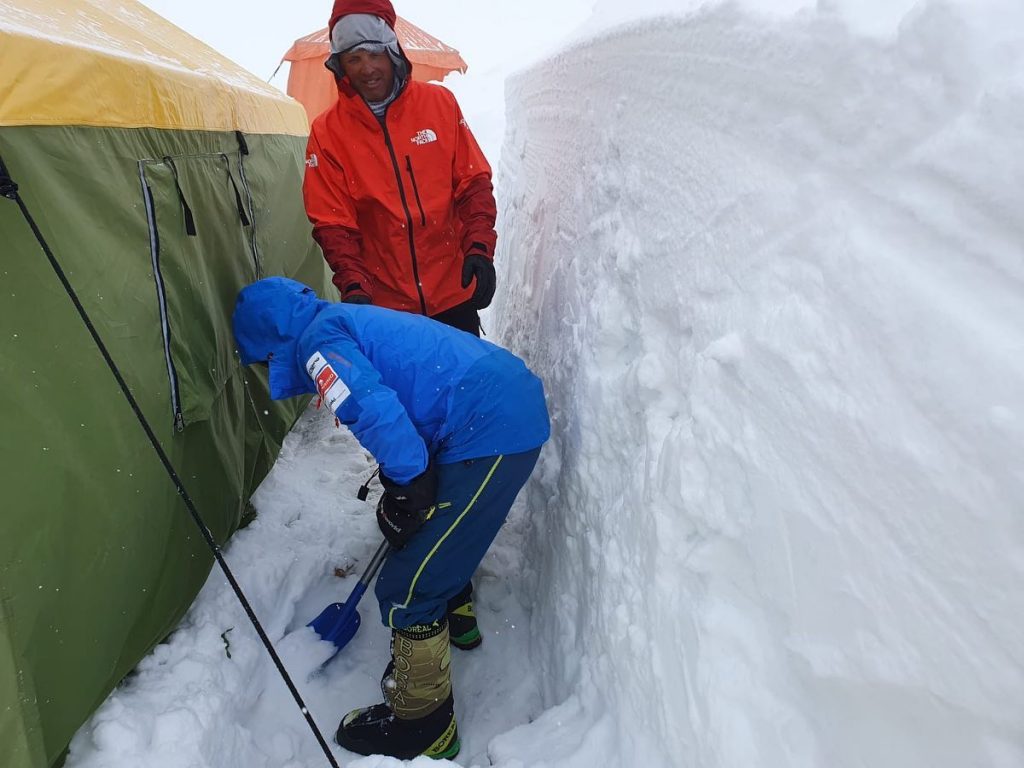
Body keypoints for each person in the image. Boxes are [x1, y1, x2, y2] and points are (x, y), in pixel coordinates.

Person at [232, 277, 549, 760]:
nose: (265, 369)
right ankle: (455, 617)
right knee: (434, 535)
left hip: (490, 425)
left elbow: (373, 409)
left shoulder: (317, 346)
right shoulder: (333, 322)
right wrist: (406, 485)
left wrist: (408, 481)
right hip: (489, 406)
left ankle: (423, 726)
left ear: (271, 339)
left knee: (407, 587)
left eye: (261, 359)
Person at [303, 0, 498, 337]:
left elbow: (473, 182)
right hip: (386, 308)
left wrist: (479, 247)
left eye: (374, 54)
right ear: (341, 66)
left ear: (392, 51)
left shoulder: (439, 104)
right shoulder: (328, 132)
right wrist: (354, 285)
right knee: (401, 390)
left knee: (463, 388)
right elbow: (333, 223)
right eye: (354, 58)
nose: (367, 69)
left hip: (454, 291)